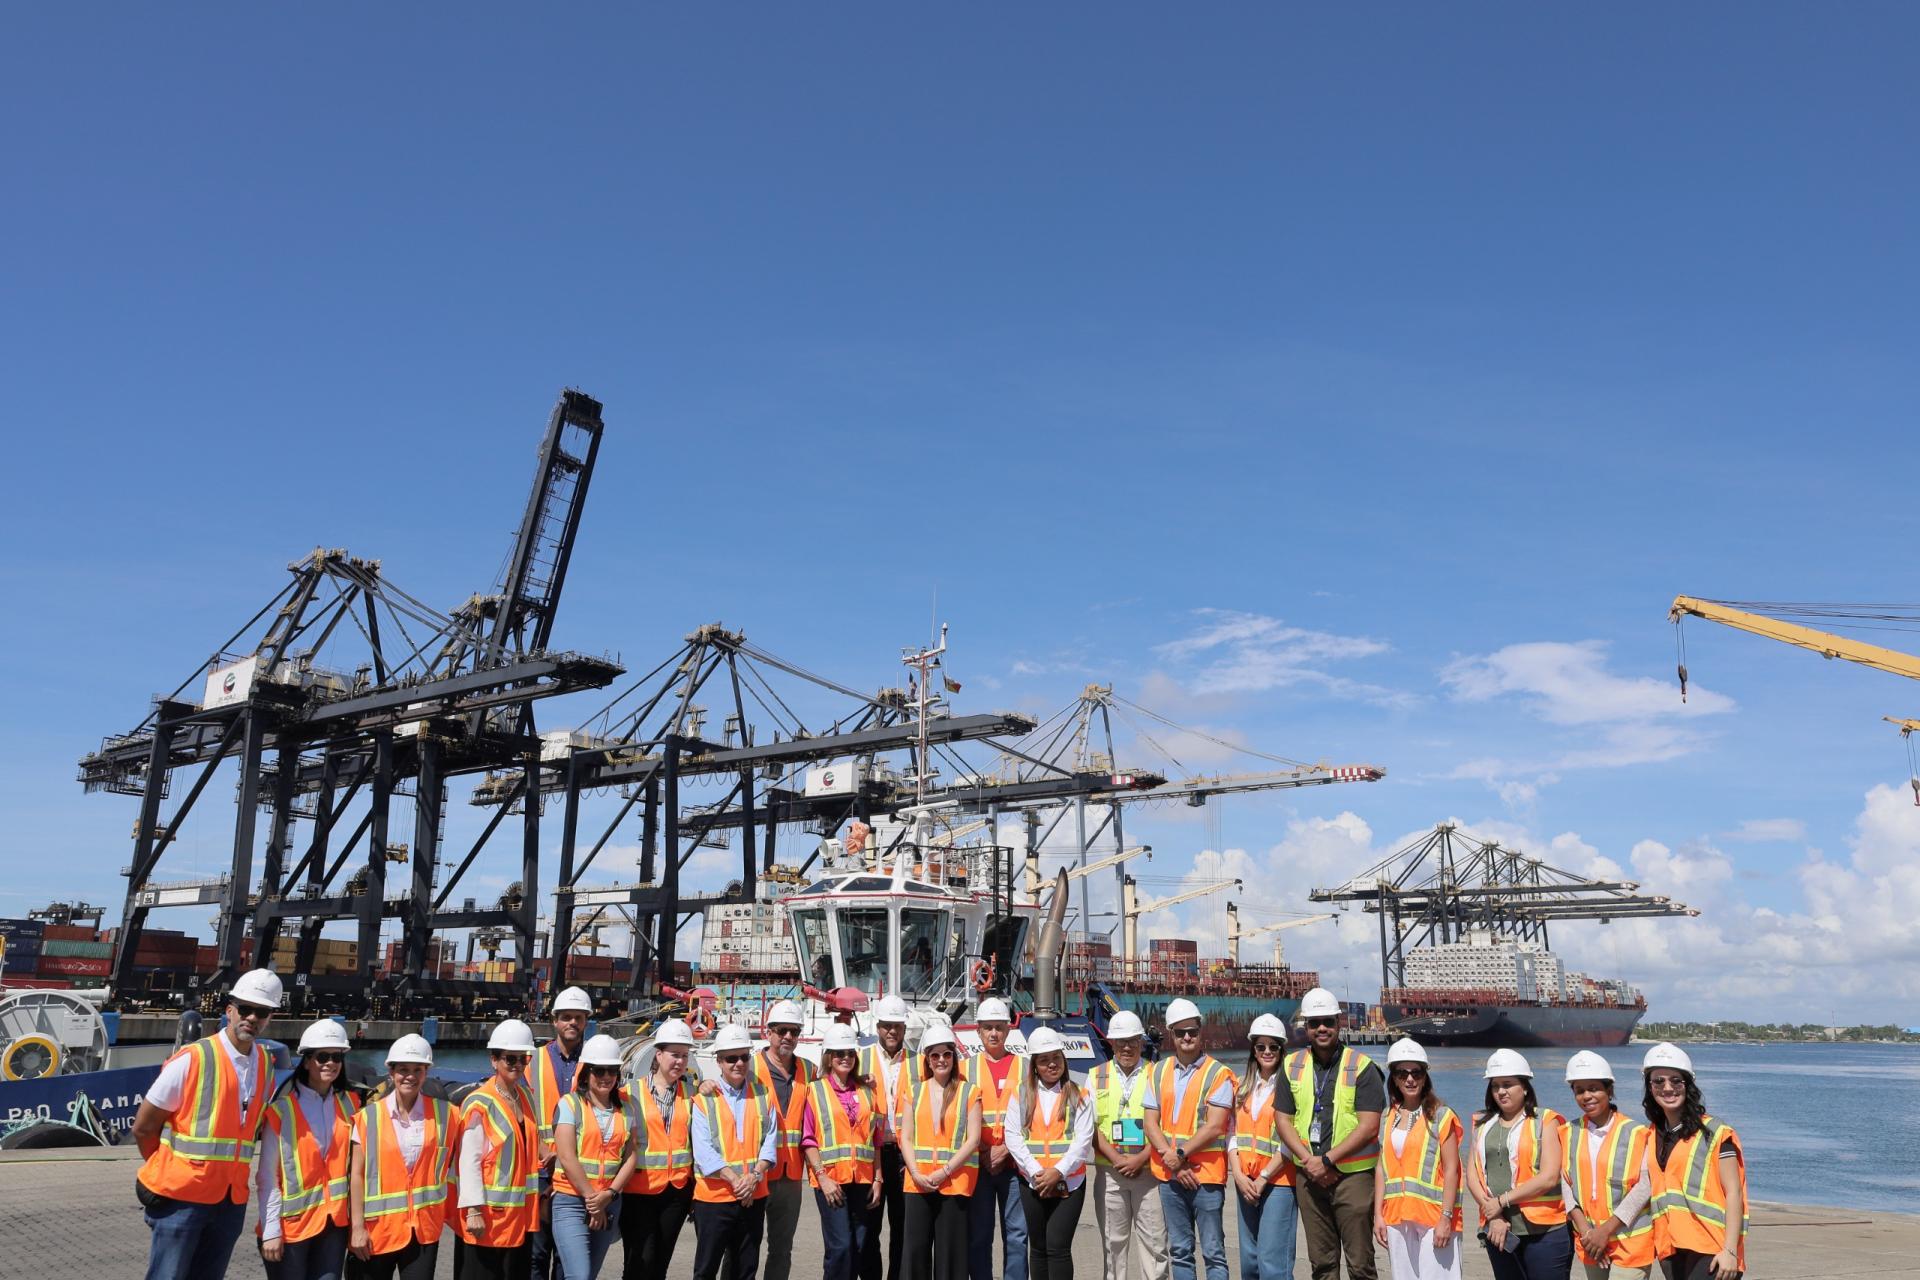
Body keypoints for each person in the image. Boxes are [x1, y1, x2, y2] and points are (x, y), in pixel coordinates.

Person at [131, 967, 283, 1280]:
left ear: (270, 1018)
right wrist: (168, 1170)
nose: (252, 1018)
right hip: (181, 1200)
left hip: (230, 1203)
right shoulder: (193, 1058)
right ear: (230, 1010)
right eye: (246, 1009)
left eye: (262, 1012)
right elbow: (144, 1127)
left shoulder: (266, 1066)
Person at [1280, 987, 1384, 1280]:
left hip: (1353, 1178)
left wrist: (1326, 1160)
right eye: (1314, 1023)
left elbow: (1369, 1126)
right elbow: (1283, 1120)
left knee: (1361, 1263)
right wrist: (1310, 1162)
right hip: (1309, 1179)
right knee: (1322, 1265)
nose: (1321, 1028)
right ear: (1306, 1027)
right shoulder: (1292, 1065)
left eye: (1328, 1021)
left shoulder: (1363, 1067)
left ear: (1339, 1022)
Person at [256, 1017, 360, 1280]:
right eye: (322, 1057)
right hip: (291, 1227)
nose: (331, 1064)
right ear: (306, 1060)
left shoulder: (351, 1104)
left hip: (333, 1225)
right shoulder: (281, 1111)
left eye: (337, 1058)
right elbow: (267, 1176)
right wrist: (271, 1230)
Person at [1141, 997, 1235, 1280]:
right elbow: (1150, 1123)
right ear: (1171, 1033)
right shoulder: (1157, 1071)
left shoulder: (1219, 1073)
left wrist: (1178, 1155)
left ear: (1200, 1030)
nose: (1187, 1037)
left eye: (1192, 1031)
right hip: (1171, 1177)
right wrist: (1175, 1163)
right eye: (1180, 1032)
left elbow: (1216, 1126)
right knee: (1180, 1251)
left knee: (1213, 1253)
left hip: (1205, 1177)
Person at [347, 1034, 455, 1280]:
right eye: (403, 1069)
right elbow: (357, 1176)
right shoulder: (368, 1118)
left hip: (422, 1232)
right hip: (376, 1232)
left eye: (418, 1070)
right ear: (392, 1072)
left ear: (426, 1073)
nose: (410, 1076)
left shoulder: (445, 1114)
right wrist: (357, 1228)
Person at [1641, 1044, 1746, 1280]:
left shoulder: (1716, 1132)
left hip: (1711, 1248)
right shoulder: (1652, 1134)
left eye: (1676, 1081)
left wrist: (1730, 1251)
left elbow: (1734, 1193)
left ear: (1688, 1085)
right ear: (1649, 1087)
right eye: (1658, 1081)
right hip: (1671, 1247)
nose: (1667, 1088)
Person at [1465, 1049, 1570, 1280]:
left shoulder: (1545, 1121)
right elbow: (1472, 1175)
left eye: (1508, 1084)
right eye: (1495, 1086)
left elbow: (1550, 1176)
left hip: (1544, 1232)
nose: (1501, 1091)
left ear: (1524, 1087)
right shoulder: (1482, 1124)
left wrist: (1502, 1201)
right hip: (1499, 1230)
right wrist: (1493, 1215)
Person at [455, 1019, 543, 1279]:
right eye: (509, 1059)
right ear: (494, 1060)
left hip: (519, 1218)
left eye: (523, 1059)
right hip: (486, 1218)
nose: (517, 1065)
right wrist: (473, 1210)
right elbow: (468, 1161)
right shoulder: (479, 1103)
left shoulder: (525, 1097)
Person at [1005, 1026, 1094, 1280]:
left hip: (1069, 1183)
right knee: (1039, 1248)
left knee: (1057, 1247)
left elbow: (1082, 1140)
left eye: (1056, 1057)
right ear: (1034, 1065)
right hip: (1032, 1182)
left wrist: (1058, 1171)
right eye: (1044, 1060)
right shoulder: (1020, 1093)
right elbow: (1013, 1136)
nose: (1052, 1064)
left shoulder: (1079, 1094)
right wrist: (1036, 1172)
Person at [690, 1024, 778, 1280]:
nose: (738, 1063)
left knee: (745, 1269)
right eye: (731, 1058)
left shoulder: (763, 1095)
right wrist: (739, 1182)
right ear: (718, 1061)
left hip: (753, 1195)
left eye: (743, 1057)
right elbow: (704, 1152)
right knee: (706, 1269)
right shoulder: (704, 1099)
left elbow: (769, 1144)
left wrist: (753, 1178)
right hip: (714, 1199)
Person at [551, 1033, 641, 1280]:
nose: (606, 1077)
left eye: (611, 1071)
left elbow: (631, 1155)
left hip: (609, 1200)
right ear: (586, 1073)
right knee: (578, 1275)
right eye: (599, 1071)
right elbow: (567, 1157)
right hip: (571, 1200)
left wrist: (609, 1195)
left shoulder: (629, 1106)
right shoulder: (569, 1104)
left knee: (588, 1275)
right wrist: (594, 1201)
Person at [1372, 1038, 1463, 1280]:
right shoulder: (1386, 1117)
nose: (1410, 1079)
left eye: (1416, 1072)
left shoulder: (1441, 1116)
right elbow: (1382, 1168)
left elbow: (1453, 1170)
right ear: (1394, 1078)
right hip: (1396, 1217)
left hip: (1434, 1217)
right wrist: (1378, 1215)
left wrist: (1446, 1218)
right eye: (1402, 1073)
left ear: (1425, 1077)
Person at [1088, 1010, 1168, 1280]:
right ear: (1110, 1043)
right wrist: (1117, 1160)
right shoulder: (1095, 1076)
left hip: (1150, 1173)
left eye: (1132, 1040)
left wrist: (1141, 1159)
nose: (1126, 1047)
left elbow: (1165, 1126)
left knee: (1156, 1247)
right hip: (1111, 1174)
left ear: (1141, 1042)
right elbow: (1091, 1127)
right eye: (1120, 1041)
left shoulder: (1156, 1074)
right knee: (1113, 1246)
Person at [900, 1020, 982, 1280]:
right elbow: (906, 1137)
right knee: (914, 1253)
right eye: (934, 1055)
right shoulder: (914, 1092)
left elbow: (974, 1139)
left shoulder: (970, 1092)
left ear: (953, 1057)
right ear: (927, 1059)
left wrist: (944, 1171)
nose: (941, 1060)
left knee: (950, 1257)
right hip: (918, 1183)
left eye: (946, 1054)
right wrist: (915, 1172)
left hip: (954, 1183)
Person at [1560, 1051, 1653, 1280]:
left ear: (1609, 1090)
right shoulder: (1566, 1133)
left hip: (1630, 1241)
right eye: (1579, 1090)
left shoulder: (1638, 1133)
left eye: (1594, 1088)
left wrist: (1605, 1231)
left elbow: (1645, 1187)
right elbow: (1564, 1183)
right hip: (1590, 1239)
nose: (1587, 1096)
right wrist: (1587, 1232)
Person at [621, 1018, 699, 1280]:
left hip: (676, 1193)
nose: (679, 1061)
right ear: (658, 1055)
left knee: (659, 1265)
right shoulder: (629, 1094)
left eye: (685, 1056)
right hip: (637, 1192)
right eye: (674, 1055)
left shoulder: (692, 1094)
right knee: (637, 1262)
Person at [803, 1023, 883, 1280]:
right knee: (841, 1247)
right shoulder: (814, 1091)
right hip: (831, 1182)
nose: (845, 1058)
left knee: (859, 1247)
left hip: (862, 1181)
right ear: (828, 1056)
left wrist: (878, 1178)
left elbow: (876, 1140)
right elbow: (808, 1139)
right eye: (838, 1053)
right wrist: (823, 1178)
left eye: (849, 1052)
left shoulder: (867, 1092)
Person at [530, 985, 595, 1279]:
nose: (572, 1023)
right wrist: (548, 1154)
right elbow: (521, 1112)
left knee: (567, 1255)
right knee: (536, 1254)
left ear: (586, 1022)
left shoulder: (596, 1064)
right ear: (555, 1020)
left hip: (576, 1174)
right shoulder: (532, 1060)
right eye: (566, 1017)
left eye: (578, 1018)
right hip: (539, 1170)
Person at [965, 997, 1029, 1280]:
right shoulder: (964, 1069)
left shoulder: (1025, 1067)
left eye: (999, 1028)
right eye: (988, 1027)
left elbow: (1035, 1117)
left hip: (1014, 1167)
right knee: (978, 1236)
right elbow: (959, 1118)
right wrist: (983, 1150)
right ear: (978, 1031)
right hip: (979, 1165)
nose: (993, 1033)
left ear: (1008, 1030)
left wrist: (1007, 1150)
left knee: (1017, 1236)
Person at [1229, 1013, 1297, 1280]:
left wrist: (1264, 1178)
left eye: (1273, 1046)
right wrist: (1238, 1175)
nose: (1267, 1052)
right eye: (1261, 1046)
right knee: (1249, 1264)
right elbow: (1231, 1134)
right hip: (1245, 1181)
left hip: (1278, 1182)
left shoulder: (1290, 1087)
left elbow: (1292, 1141)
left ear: (1282, 1050)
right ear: (1253, 1050)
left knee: (1273, 1265)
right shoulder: (1242, 1087)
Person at [754, 999, 816, 1280]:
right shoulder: (750, 1067)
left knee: (782, 1248)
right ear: (769, 1032)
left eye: (794, 1031)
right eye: (782, 1030)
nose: (788, 1037)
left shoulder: (809, 1070)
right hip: (755, 1173)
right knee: (744, 1244)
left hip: (791, 1176)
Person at [859, 995, 918, 1280]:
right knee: (869, 1229)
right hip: (873, 1155)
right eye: (886, 1025)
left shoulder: (919, 1063)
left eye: (897, 1025)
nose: (892, 1031)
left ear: (905, 1028)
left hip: (905, 1156)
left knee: (903, 1230)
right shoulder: (860, 1059)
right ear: (877, 1026)